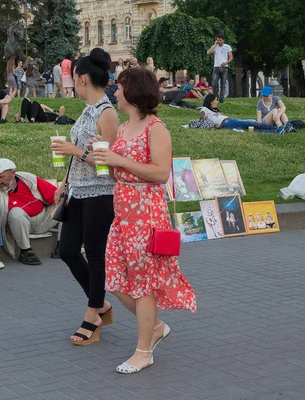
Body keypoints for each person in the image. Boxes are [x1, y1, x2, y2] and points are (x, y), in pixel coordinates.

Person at [92, 67, 197, 374]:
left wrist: (119, 160)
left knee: (143, 284)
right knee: (114, 276)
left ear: (134, 91)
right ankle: (155, 326)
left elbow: (161, 173)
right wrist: (106, 160)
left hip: (146, 212)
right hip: (123, 210)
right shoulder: (124, 127)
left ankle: (143, 351)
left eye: (120, 87)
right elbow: (117, 171)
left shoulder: (156, 128)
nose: (115, 92)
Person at [49, 48, 119, 346]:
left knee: (95, 255)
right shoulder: (87, 111)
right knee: (66, 250)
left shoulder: (108, 113)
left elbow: (109, 165)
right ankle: (100, 302)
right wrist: (64, 182)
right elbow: (79, 152)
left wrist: (76, 151)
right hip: (77, 192)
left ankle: (93, 314)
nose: (72, 83)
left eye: (74, 78)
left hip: (100, 194)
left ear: (84, 79)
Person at [0, 158, 58, 265]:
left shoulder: (28, 179)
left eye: (1, 177)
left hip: (44, 218)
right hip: (22, 227)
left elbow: (55, 195)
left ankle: (62, 245)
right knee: (16, 212)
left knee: (66, 201)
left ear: (13, 173)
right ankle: (26, 252)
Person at [188, 94, 281, 133]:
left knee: (251, 127)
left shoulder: (215, 111)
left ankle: (275, 131)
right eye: (215, 100)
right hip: (226, 123)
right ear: (210, 101)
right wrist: (210, 123)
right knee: (250, 122)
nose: (217, 102)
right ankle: (277, 128)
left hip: (229, 120)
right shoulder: (205, 109)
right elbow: (202, 116)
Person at [206, 33, 233, 103]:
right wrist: (215, 45)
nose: (219, 41)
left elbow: (231, 57)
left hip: (224, 68)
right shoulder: (215, 47)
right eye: (218, 40)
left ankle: (221, 99)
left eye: (220, 40)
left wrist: (226, 63)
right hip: (216, 67)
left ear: (223, 40)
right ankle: (216, 97)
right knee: (214, 83)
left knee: (223, 84)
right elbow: (208, 52)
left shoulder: (227, 47)